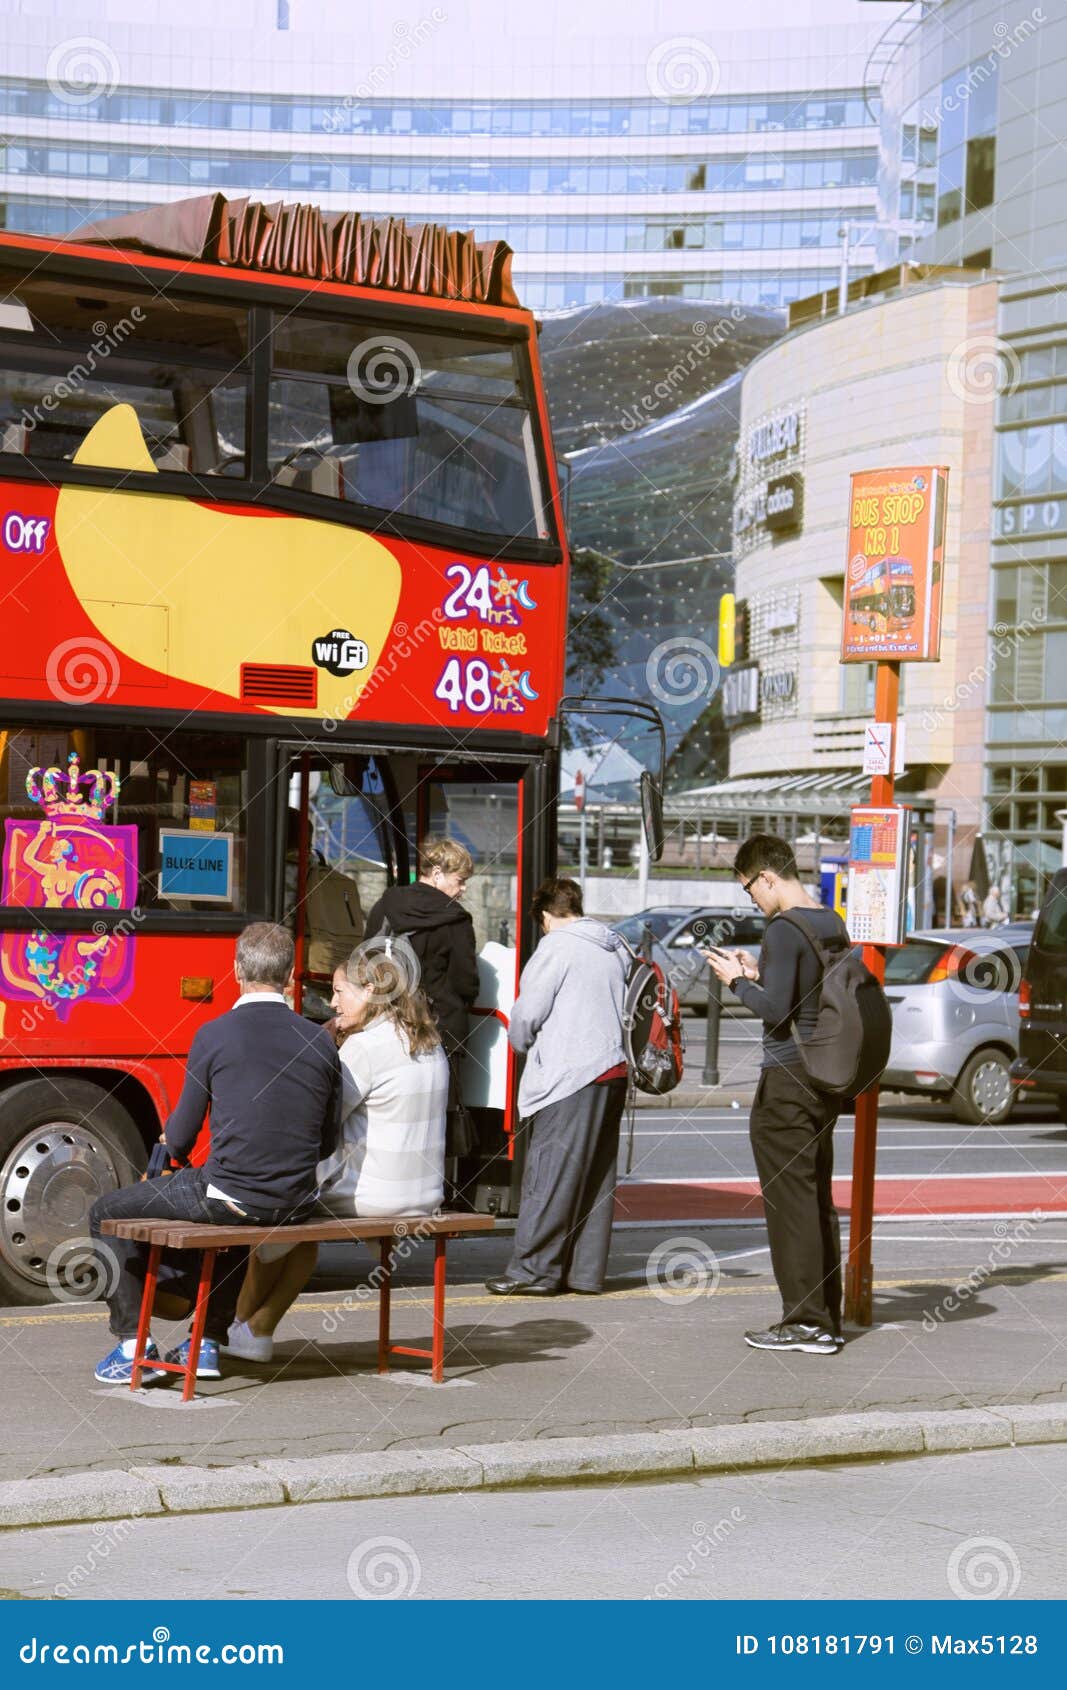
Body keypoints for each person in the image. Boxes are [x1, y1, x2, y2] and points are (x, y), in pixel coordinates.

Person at [88, 923, 342, 1385]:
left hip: (230, 1193)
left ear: (236, 970)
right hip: (293, 1202)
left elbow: (180, 1139)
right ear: (288, 975)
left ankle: (131, 1343)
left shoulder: (215, 1033)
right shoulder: (321, 1041)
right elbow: (327, 1141)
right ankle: (206, 1342)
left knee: (105, 1212)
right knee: (240, 1213)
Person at [223, 944, 449, 1361]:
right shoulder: (428, 1040)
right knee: (299, 1234)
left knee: (279, 1210)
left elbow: (317, 1120)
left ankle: (235, 1329)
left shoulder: (367, 1047)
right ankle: (254, 1330)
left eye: (340, 991)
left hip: (377, 1196)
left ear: (369, 993)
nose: (332, 1002)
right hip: (425, 1195)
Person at [702, 834, 847, 1356]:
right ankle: (826, 1314)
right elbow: (805, 992)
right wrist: (762, 971)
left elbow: (776, 1012)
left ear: (766, 875)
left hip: (787, 1078)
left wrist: (738, 980)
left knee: (789, 1202)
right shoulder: (828, 920)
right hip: (822, 1076)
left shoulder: (784, 927)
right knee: (814, 1197)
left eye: (749, 890)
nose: (752, 901)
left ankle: (805, 1323)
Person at [486, 876, 628, 1298]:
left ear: (546, 916)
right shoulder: (615, 945)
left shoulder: (556, 947)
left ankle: (533, 1272)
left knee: (549, 1174)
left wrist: (519, 1044)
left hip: (569, 1076)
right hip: (614, 1070)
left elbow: (526, 1016)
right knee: (595, 1176)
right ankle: (584, 1273)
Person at [363, 837, 479, 1061]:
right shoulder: (456, 918)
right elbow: (464, 981)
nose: (463, 889)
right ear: (437, 874)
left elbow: (365, 956)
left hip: (386, 1022)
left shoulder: (386, 904)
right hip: (440, 1028)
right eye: (461, 880)